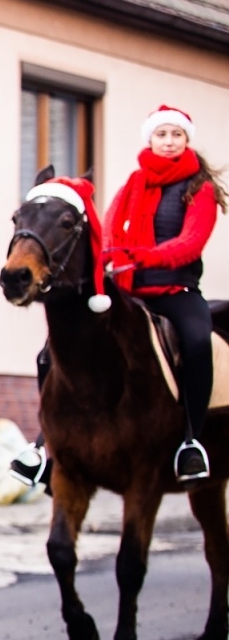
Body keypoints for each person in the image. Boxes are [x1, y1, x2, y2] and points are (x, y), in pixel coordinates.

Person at [103, 105, 224, 481]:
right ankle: (46, 446)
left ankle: (192, 439)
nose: (168, 142)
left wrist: (140, 256)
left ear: (187, 140)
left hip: (176, 290)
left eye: (176, 135)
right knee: (67, 344)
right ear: (150, 139)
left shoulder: (199, 189)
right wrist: (111, 256)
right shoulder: (131, 185)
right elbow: (109, 230)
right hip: (130, 292)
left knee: (197, 342)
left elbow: (190, 243)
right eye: (161, 135)